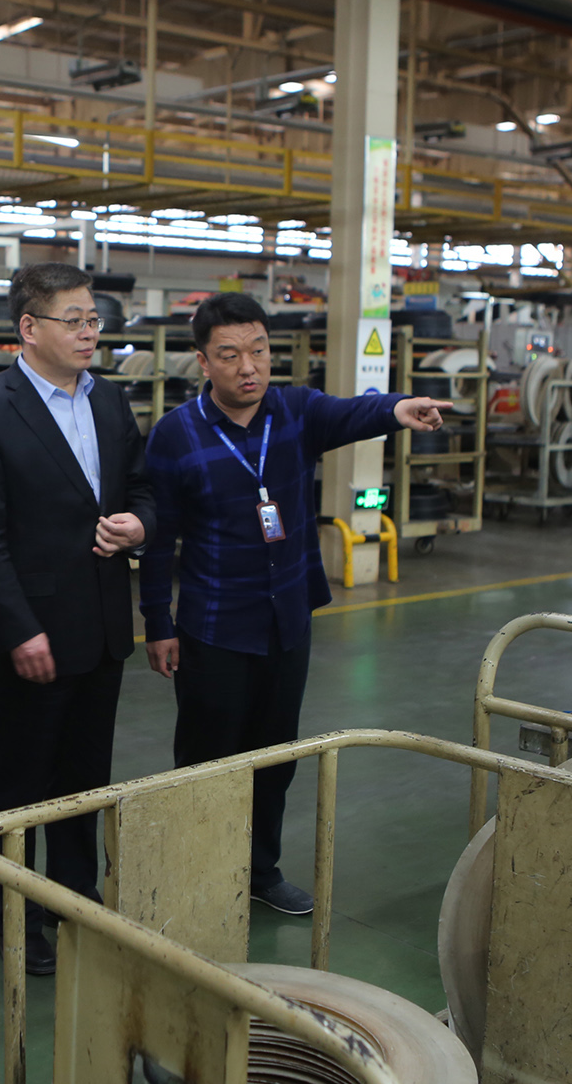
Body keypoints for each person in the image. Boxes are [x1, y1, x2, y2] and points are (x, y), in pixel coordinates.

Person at [139, 292, 446, 917]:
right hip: (214, 627)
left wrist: (399, 408)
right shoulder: (175, 435)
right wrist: (157, 623)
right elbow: (158, 538)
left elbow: (353, 412)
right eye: (230, 355)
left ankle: (260, 871)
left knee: (276, 756)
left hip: (286, 620)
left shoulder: (296, 411)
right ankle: (197, 875)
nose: (248, 367)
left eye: (258, 351)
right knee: (206, 761)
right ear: (204, 362)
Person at [0, 262, 154, 976]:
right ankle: (15, 917)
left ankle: (75, 900)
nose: (90, 332)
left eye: (94, 319)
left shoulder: (109, 401)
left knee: (84, 781)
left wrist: (140, 525)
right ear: (29, 328)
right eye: (75, 320)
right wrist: (19, 628)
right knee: (18, 787)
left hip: (100, 629)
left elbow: (143, 488)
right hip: (28, 636)